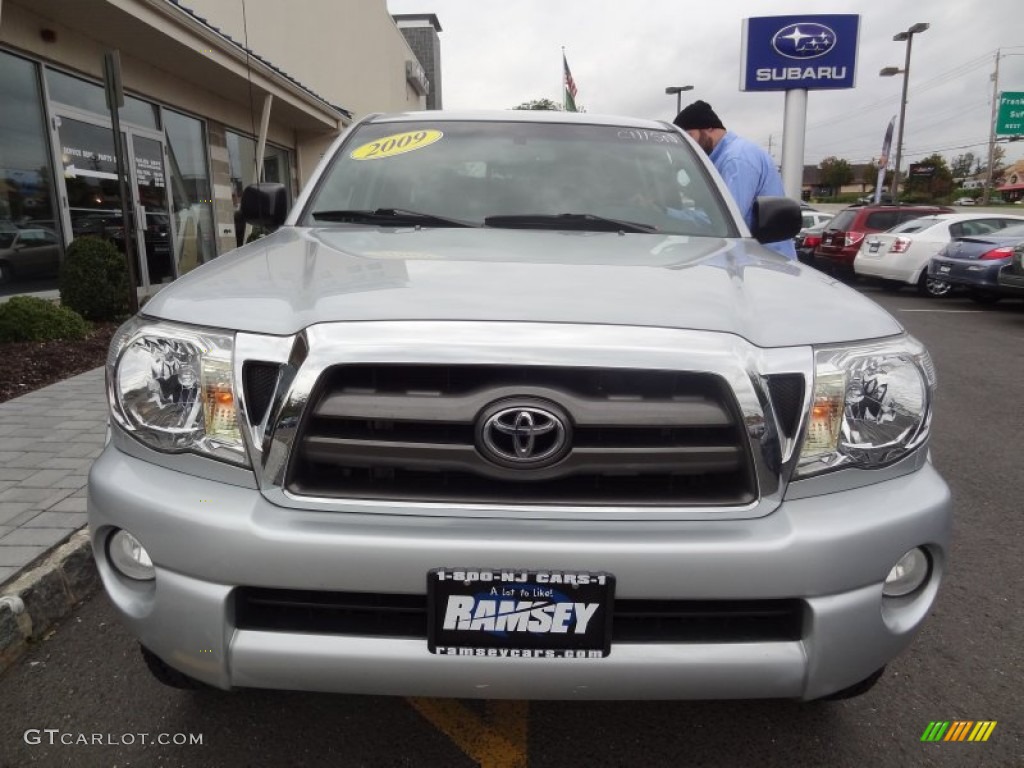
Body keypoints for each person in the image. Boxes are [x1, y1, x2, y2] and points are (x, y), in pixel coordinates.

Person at [674, 100, 797, 259]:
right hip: (746, 260)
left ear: (709, 128)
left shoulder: (737, 159)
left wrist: (668, 216)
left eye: (690, 136)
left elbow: (724, 220)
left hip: (765, 264)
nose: (689, 144)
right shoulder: (717, 160)